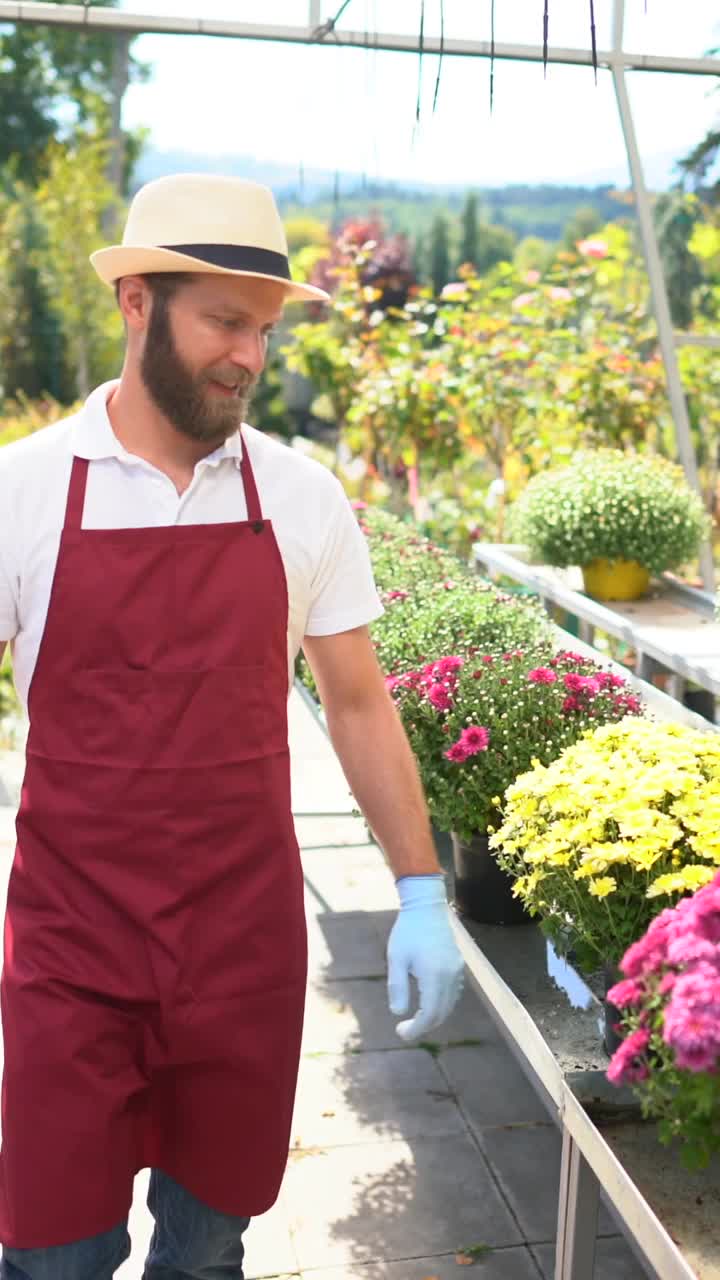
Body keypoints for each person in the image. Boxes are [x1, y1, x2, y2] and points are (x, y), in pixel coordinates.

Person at [0, 173, 465, 1279]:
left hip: (239, 946)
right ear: (137, 305)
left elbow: (356, 700)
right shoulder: (24, 490)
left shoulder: (303, 500)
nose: (248, 356)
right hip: (73, 946)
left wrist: (419, 888)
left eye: (262, 329)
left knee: (208, 1253)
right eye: (222, 320)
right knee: (52, 1253)